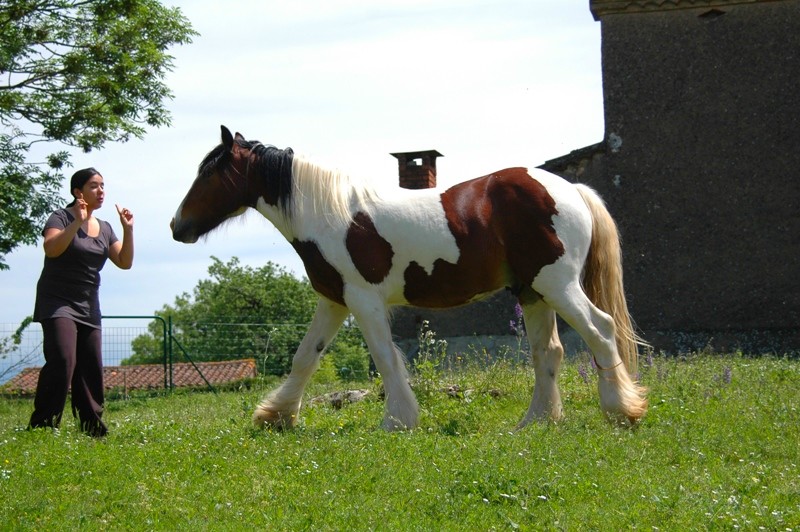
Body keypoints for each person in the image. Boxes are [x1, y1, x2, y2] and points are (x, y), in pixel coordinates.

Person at [28, 167, 134, 437]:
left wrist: (127, 230)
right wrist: (77, 220)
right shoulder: (61, 217)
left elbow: (124, 262)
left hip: (88, 305)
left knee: (90, 367)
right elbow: (51, 249)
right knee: (64, 360)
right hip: (57, 302)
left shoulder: (106, 228)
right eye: (94, 186)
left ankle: (92, 428)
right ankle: (43, 425)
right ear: (79, 192)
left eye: (103, 186)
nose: (101, 191)